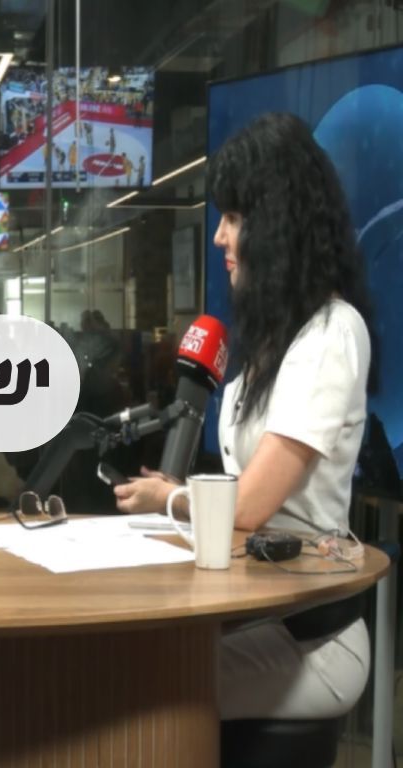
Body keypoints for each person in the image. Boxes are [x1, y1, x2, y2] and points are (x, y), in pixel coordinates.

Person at [114, 112, 374, 721]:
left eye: (233, 218)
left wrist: (172, 499)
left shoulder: (332, 334)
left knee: (132, 691)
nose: (218, 237)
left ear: (275, 224)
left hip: (312, 641)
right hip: (256, 611)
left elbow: (252, 506)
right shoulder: (272, 342)